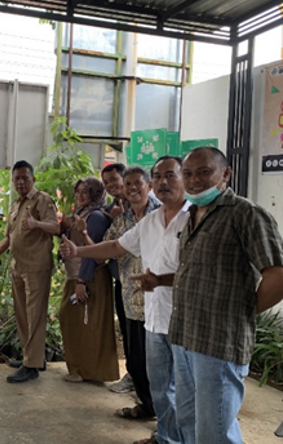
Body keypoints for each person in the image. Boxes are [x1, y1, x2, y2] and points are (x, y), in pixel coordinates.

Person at [60, 155, 188, 444]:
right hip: (140, 305)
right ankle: (165, 434)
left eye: (137, 183)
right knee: (151, 374)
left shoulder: (194, 217)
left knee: (181, 384)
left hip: (182, 316)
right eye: (159, 177)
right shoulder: (142, 220)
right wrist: (78, 250)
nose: (132, 189)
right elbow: (116, 246)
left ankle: (178, 435)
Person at [164, 147, 283, 444]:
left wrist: (242, 310)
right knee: (188, 421)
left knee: (214, 431)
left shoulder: (246, 214)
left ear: (225, 174)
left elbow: (277, 275)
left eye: (204, 172)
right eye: (188, 173)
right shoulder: (191, 214)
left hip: (218, 342)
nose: (194, 180)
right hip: (184, 336)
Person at [0, 160, 59, 383]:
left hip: (36, 268)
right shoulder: (16, 205)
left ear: (33, 179)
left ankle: (31, 365)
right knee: (22, 315)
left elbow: (56, 227)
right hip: (18, 267)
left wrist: (36, 224)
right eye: (17, 179)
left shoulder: (42, 200)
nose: (21, 182)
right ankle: (31, 357)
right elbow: (9, 238)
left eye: (25, 177)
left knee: (35, 316)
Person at [103, 167, 160, 420]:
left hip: (160, 303)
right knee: (136, 360)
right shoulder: (124, 219)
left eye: (138, 183)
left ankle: (167, 422)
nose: (133, 188)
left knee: (160, 365)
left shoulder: (163, 214)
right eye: (129, 184)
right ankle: (148, 407)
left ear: (149, 185)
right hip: (130, 299)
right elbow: (111, 245)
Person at [59, 177, 118, 384]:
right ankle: (81, 368)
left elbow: (94, 252)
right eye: (78, 191)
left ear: (95, 194)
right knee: (75, 321)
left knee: (87, 324)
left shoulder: (96, 217)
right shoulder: (81, 214)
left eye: (86, 191)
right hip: (75, 275)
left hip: (88, 276)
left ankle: (88, 371)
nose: (81, 195)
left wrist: (83, 280)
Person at [101, 162, 134, 394]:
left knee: (139, 333)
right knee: (126, 328)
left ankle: (138, 379)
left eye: (114, 179)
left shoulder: (142, 206)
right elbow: (108, 243)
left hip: (140, 281)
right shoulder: (115, 207)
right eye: (106, 183)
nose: (111, 185)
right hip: (121, 279)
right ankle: (133, 376)